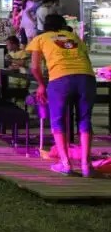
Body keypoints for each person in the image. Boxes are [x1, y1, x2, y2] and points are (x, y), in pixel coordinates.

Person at [28, 14, 96, 177]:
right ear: (63, 25)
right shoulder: (74, 37)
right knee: (84, 119)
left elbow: (35, 67)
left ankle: (65, 164)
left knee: (57, 120)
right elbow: (86, 59)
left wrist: (41, 84)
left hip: (60, 80)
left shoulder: (40, 39)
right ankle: (86, 165)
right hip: (86, 78)